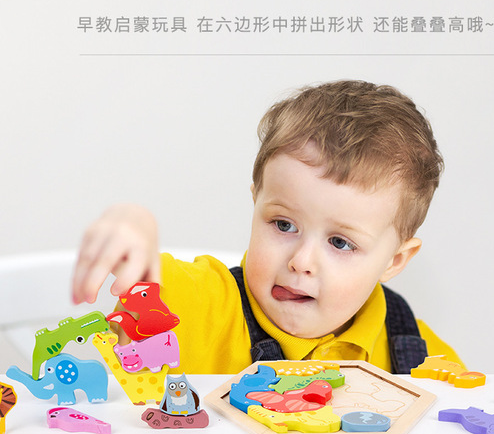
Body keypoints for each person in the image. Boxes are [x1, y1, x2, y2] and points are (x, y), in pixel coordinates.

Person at [72, 79, 461, 374]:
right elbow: (148, 285)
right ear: (256, 200)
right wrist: (132, 226)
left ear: (395, 260)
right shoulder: (202, 306)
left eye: (340, 243)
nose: (301, 262)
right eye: (283, 224)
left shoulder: (422, 358)